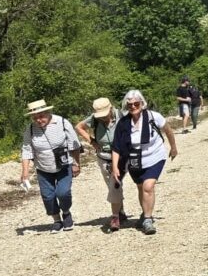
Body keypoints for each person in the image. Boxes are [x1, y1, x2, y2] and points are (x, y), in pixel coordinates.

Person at [110, 89, 177, 235]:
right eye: (130, 105)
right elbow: (116, 147)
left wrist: (173, 148)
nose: (133, 107)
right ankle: (145, 212)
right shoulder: (123, 123)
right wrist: (115, 167)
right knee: (141, 187)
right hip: (134, 160)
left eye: (136, 104)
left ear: (142, 103)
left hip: (154, 156)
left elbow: (168, 130)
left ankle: (147, 219)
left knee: (148, 186)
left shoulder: (154, 117)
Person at [20, 98, 83, 231]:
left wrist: (76, 163)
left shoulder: (62, 122)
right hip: (43, 168)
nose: (38, 120)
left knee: (63, 193)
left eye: (41, 116)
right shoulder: (30, 129)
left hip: (64, 165)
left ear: (48, 113)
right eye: (35, 118)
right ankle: (56, 220)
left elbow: (74, 145)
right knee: (48, 196)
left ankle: (66, 212)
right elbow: (26, 150)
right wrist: (25, 173)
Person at [76, 96, 128, 230]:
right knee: (112, 185)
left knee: (116, 183)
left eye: (105, 115)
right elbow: (79, 127)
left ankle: (116, 216)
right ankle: (120, 212)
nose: (103, 118)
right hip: (104, 156)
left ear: (111, 108)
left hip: (122, 156)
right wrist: (92, 141)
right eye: (100, 115)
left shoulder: (122, 115)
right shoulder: (94, 119)